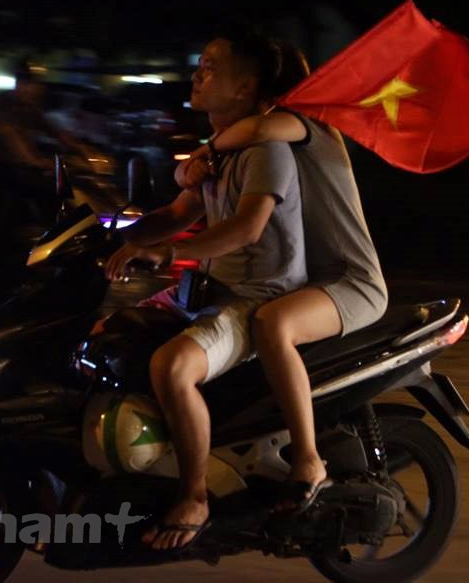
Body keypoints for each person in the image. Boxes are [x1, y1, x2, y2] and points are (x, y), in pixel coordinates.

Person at [100, 32, 307, 550]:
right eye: (199, 64)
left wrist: (167, 254)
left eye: (211, 68)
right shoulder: (214, 155)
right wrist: (110, 236)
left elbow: (246, 228)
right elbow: (176, 214)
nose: (197, 75)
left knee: (171, 365)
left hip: (255, 295)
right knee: (108, 335)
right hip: (209, 288)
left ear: (244, 87)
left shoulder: (267, 150)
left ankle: (194, 497)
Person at [175, 41, 388, 512]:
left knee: (272, 323)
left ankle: (309, 459)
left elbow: (261, 126)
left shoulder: (305, 126)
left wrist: (203, 151)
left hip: (352, 282)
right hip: (317, 280)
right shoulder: (267, 139)